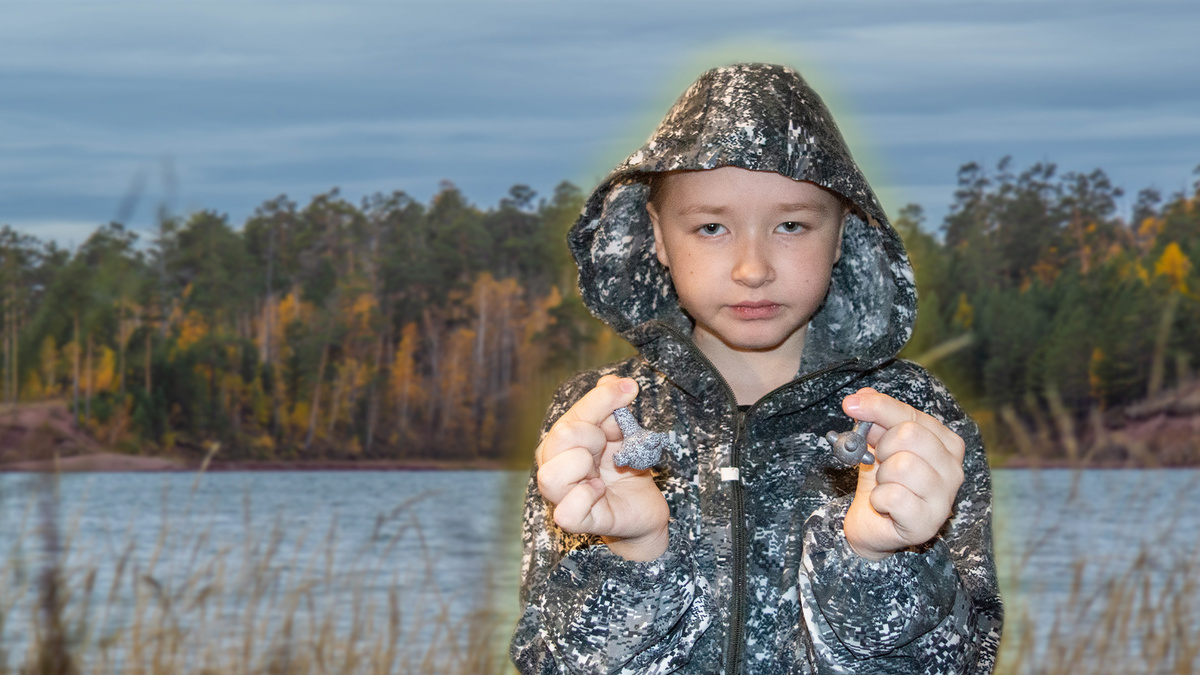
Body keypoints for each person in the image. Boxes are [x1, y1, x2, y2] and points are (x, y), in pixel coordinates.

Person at [510, 63, 1003, 674]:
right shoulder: (601, 419)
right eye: (711, 227)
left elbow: (958, 663)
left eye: (791, 225)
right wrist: (631, 555)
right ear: (658, 237)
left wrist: (879, 562)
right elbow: (550, 664)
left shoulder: (913, 422)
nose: (752, 268)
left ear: (844, 232)